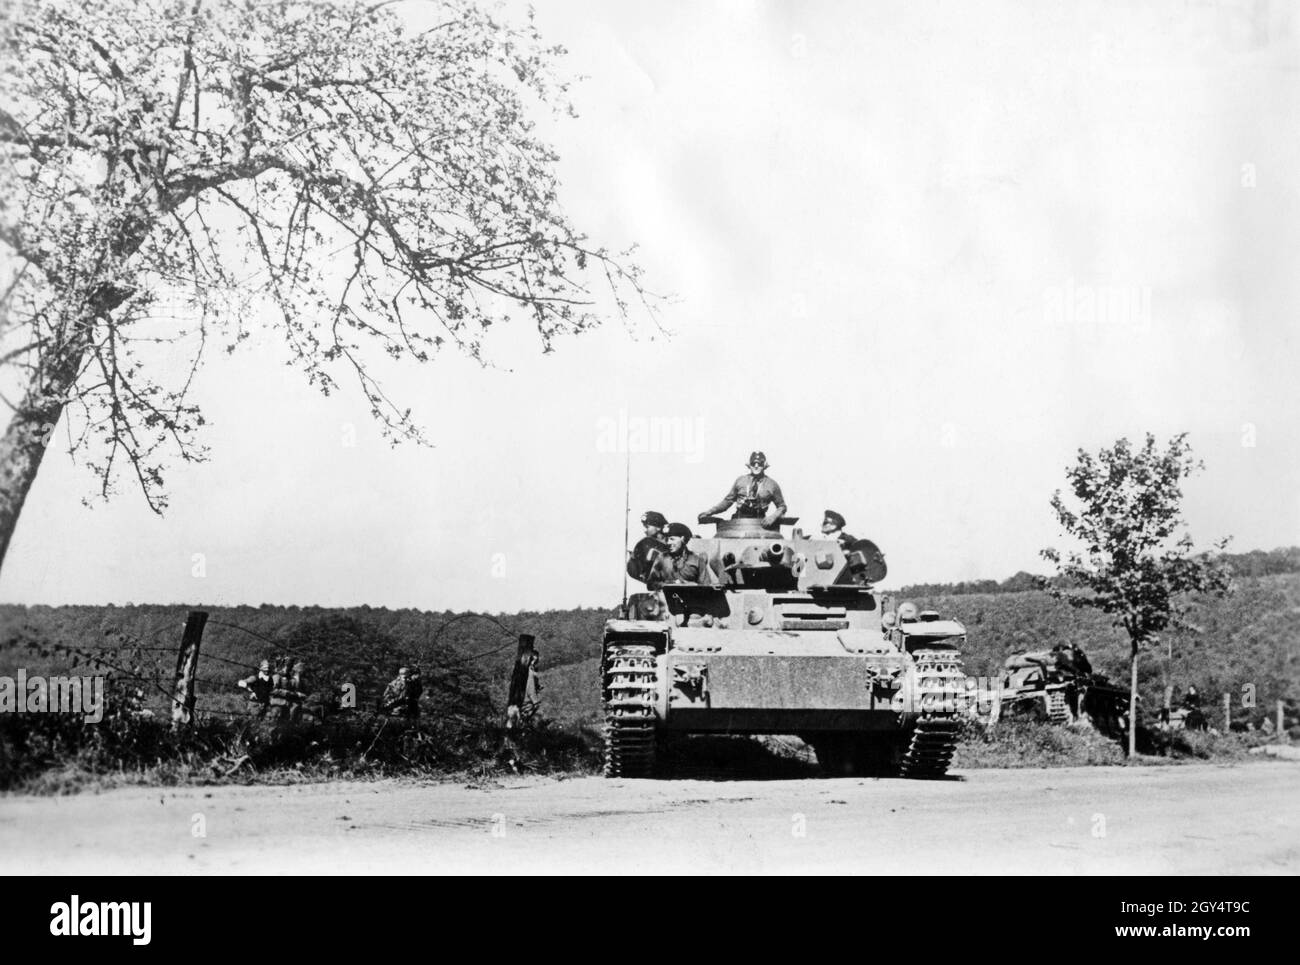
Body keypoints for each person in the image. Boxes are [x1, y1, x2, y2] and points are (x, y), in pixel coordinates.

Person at [700, 451, 787, 527]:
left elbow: (782, 506)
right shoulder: (741, 481)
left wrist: (774, 517)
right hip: (740, 521)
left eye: (760, 464)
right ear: (749, 465)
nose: (756, 466)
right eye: (753, 463)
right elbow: (727, 501)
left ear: (764, 465)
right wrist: (710, 512)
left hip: (760, 523)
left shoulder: (772, 484)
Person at [647, 522, 716, 590]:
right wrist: (670, 584)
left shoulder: (697, 559)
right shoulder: (661, 558)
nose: (668, 543)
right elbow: (650, 584)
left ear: (683, 539)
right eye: (667, 539)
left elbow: (706, 587)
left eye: (672, 539)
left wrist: (693, 586)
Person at [627, 510, 669, 584]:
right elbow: (634, 570)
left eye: (647, 527)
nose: (644, 530)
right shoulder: (644, 543)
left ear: (658, 527)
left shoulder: (670, 543)